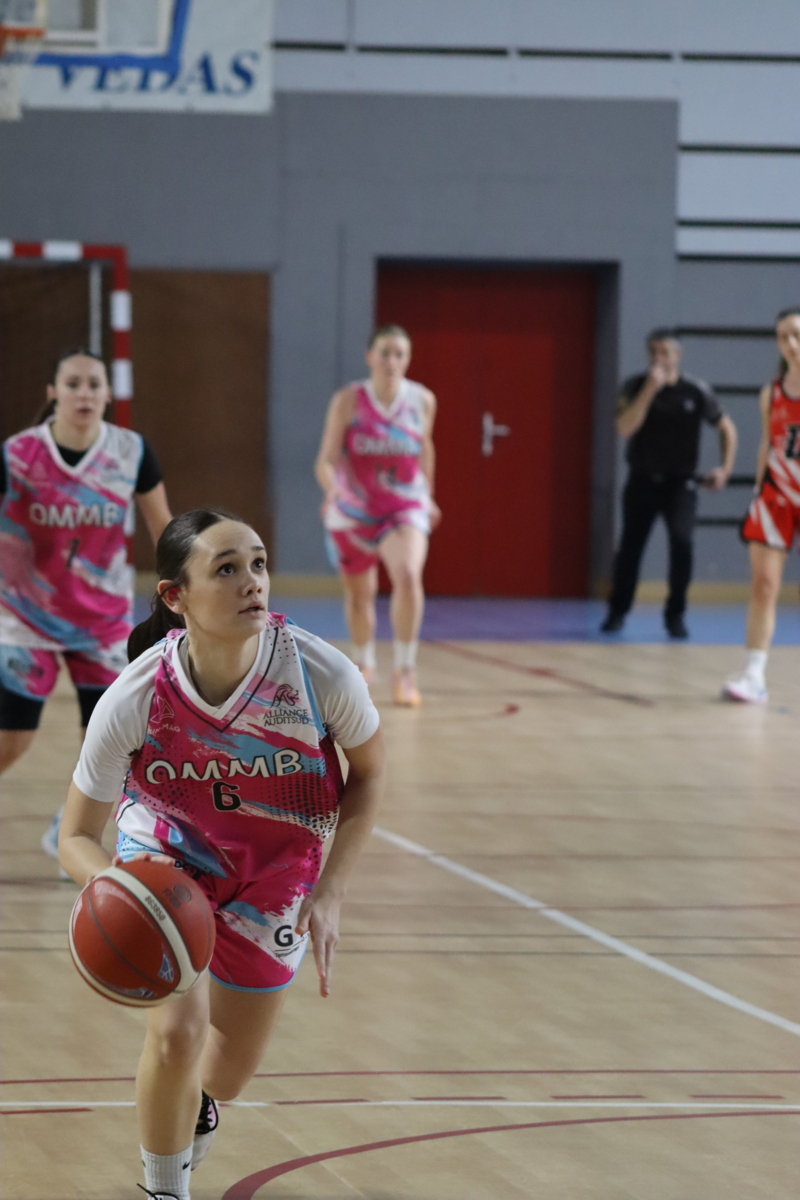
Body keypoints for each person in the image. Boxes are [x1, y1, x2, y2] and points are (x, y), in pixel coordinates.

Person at [58, 509, 384, 1200]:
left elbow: (371, 774)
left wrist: (331, 890)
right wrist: (127, 893)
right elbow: (75, 836)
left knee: (225, 1075)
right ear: (176, 597)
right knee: (178, 1034)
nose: (252, 582)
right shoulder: (137, 695)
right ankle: (164, 1189)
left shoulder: (319, 672)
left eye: (258, 564)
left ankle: (201, 1106)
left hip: (278, 878)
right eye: (227, 569)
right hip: (169, 862)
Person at [0, 349, 172, 857]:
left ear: (107, 393)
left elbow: (164, 529)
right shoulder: (18, 455)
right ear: (53, 392)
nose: (85, 394)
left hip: (103, 623)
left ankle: (68, 830)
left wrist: (182, 591)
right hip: (26, 618)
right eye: (73, 384)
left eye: (94, 384)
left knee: (106, 743)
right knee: (12, 740)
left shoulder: (130, 452)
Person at [315, 324, 440, 706]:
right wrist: (333, 488)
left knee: (408, 575)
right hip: (356, 508)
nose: (392, 361)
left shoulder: (422, 400)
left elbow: (425, 448)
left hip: (404, 506)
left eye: (400, 354)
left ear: (408, 360)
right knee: (360, 595)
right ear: (370, 357)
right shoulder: (349, 401)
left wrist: (429, 495)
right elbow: (325, 460)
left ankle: (405, 670)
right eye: (385, 353)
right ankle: (364, 662)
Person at [601, 328, 737, 638]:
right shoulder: (635, 386)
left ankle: (675, 614)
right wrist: (650, 390)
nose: (658, 358)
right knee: (631, 547)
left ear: (677, 355)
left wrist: (725, 468)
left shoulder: (695, 390)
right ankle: (617, 611)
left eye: (664, 352)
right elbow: (624, 428)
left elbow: (726, 427)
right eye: (653, 352)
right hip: (642, 481)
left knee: (682, 543)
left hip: (680, 485)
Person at [723, 307, 800, 703]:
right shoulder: (772, 393)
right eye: (783, 336)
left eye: (797, 334)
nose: (791, 344)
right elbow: (767, 445)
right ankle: (754, 674)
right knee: (764, 584)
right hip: (777, 496)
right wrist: (758, 490)